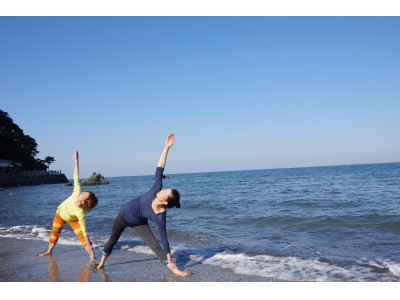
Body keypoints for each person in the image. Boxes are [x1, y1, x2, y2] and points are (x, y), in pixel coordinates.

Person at [96, 133, 188, 276]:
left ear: (164, 202)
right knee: (112, 241)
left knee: (155, 246)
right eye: (165, 189)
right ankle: (101, 264)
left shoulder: (160, 216)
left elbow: (164, 240)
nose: (162, 190)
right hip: (122, 216)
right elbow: (159, 168)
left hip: (138, 223)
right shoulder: (156, 189)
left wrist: (170, 260)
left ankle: (173, 269)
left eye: (165, 192)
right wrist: (166, 148)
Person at [39, 151, 98, 261]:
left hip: (73, 219)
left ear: (85, 202)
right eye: (84, 192)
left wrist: (88, 244)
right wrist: (76, 161)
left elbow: (84, 231)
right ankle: (49, 251)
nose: (82, 193)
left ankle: (92, 256)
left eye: (84, 195)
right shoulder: (77, 191)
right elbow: (76, 176)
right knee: (54, 234)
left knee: (83, 239)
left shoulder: (80, 213)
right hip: (60, 215)